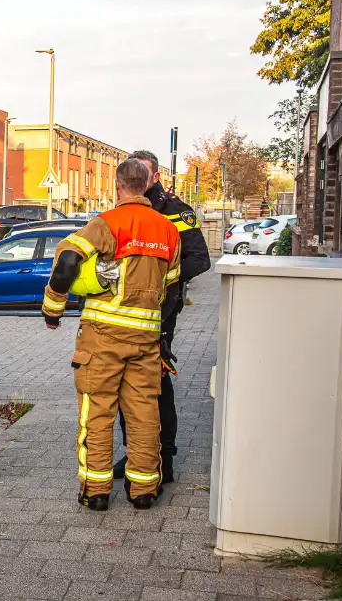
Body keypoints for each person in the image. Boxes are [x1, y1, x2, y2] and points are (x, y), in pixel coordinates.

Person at [42, 159, 181, 511]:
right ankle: (144, 490)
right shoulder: (168, 230)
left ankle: (96, 491)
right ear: (148, 185)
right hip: (146, 337)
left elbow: (68, 262)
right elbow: (171, 285)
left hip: (103, 335)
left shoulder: (105, 223)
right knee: (144, 413)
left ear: (117, 185)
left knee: (97, 411)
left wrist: (52, 309)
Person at [111, 150, 212, 484]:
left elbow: (199, 259)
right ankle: (136, 453)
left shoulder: (174, 211)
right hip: (125, 312)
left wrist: (160, 278)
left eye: (144, 172)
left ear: (155, 177)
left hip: (160, 312)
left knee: (156, 387)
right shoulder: (124, 210)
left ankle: (164, 457)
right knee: (127, 387)